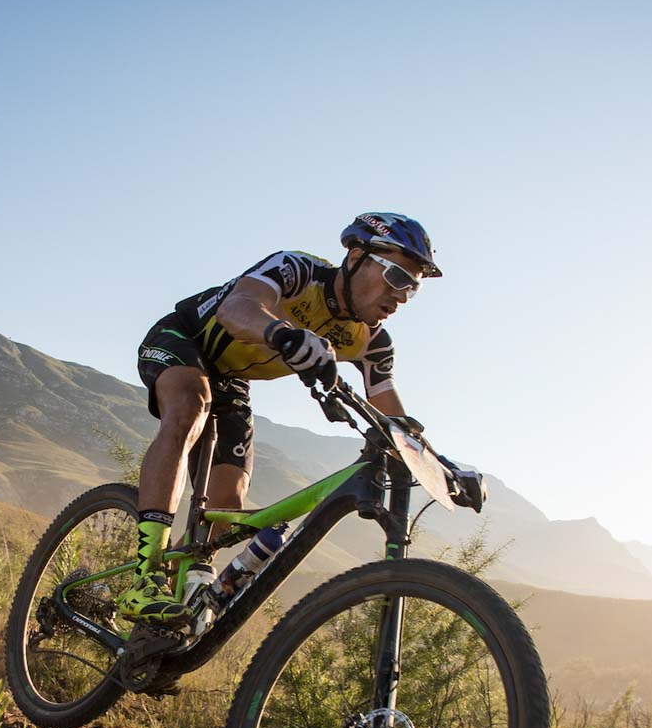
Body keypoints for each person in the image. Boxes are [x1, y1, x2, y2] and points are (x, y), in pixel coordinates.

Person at [119, 213, 442, 624]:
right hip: (184, 338)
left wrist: (441, 468)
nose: (402, 295)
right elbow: (238, 307)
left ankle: (167, 590)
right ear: (357, 255)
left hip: (232, 380)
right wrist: (283, 333)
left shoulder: (372, 342)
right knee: (190, 403)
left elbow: (393, 415)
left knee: (227, 508)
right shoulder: (297, 270)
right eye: (397, 276)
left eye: (412, 287)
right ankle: (143, 578)